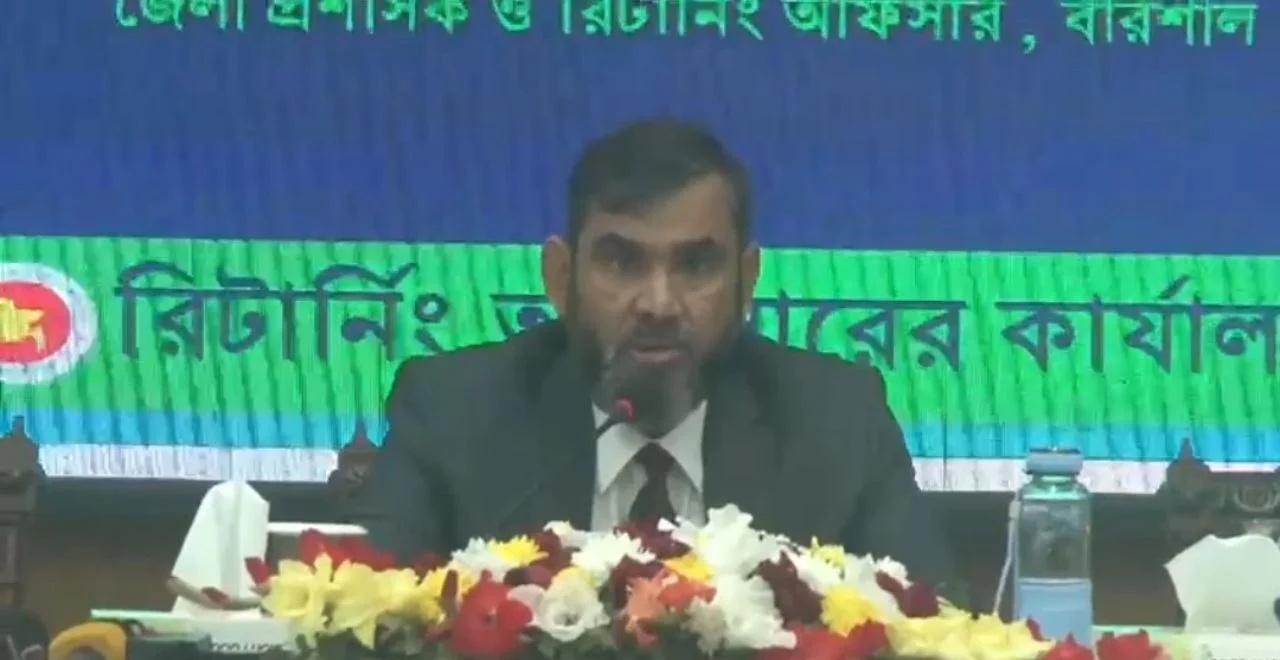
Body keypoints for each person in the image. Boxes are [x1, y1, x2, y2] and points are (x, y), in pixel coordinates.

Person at [359, 118, 959, 592]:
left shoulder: (836, 422)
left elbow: (939, 629)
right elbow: (358, 620)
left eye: (696, 265)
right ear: (560, 277)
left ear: (746, 281)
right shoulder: (455, 413)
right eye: (622, 261)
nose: (659, 303)